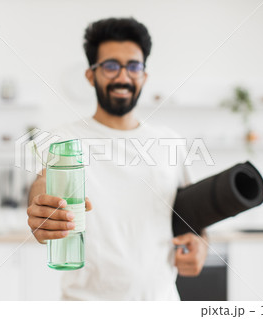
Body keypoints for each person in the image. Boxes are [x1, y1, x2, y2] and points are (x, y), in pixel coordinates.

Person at [27, 17, 208, 301]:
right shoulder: (63, 139)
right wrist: (41, 213)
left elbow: (194, 222)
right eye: (111, 66)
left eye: (133, 66)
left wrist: (201, 245)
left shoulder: (170, 142)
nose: (123, 77)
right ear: (91, 75)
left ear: (144, 76)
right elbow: (44, 186)